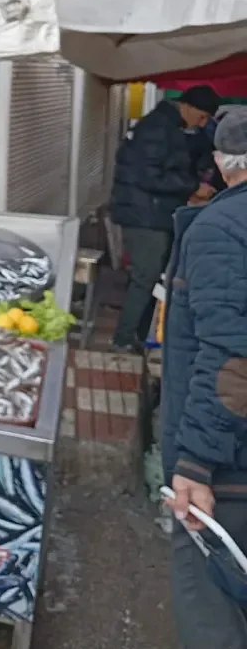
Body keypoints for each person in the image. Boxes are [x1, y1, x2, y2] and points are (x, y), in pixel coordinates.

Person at [162, 107, 247, 648]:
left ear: (219, 163)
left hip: (230, 477)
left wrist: (195, 460)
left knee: (212, 620)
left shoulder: (220, 228)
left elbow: (233, 355)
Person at [110, 86, 221, 351]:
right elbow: (148, 175)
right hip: (144, 215)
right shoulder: (158, 129)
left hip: (152, 212)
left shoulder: (167, 126)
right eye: (202, 116)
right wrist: (191, 187)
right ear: (189, 107)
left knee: (149, 277)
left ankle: (137, 336)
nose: (202, 123)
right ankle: (123, 340)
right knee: (145, 277)